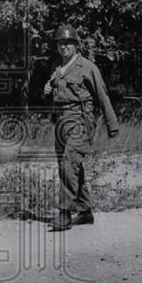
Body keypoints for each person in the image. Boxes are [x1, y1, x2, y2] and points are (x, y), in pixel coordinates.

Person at [44, 24, 119, 231]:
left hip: (80, 119)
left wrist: (112, 124)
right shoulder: (56, 67)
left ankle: (65, 213)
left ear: (76, 45)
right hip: (60, 121)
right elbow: (55, 93)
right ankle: (85, 211)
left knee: (70, 163)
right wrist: (47, 90)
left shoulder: (87, 67)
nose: (64, 46)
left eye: (68, 42)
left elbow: (102, 95)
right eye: (60, 43)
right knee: (68, 165)